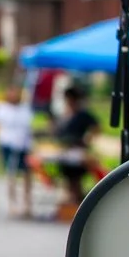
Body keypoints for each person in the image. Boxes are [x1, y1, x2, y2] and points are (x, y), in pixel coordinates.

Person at [49, 83, 97, 219]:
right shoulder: (64, 114)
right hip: (65, 150)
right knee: (68, 180)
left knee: (75, 180)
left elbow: (96, 127)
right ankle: (71, 205)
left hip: (77, 151)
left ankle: (78, 206)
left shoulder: (82, 114)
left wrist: (87, 141)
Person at [0, 81, 35, 217]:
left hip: (24, 144)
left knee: (27, 174)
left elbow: (28, 127)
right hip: (8, 143)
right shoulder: (1, 108)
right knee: (11, 174)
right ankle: (12, 203)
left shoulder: (25, 108)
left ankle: (27, 203)